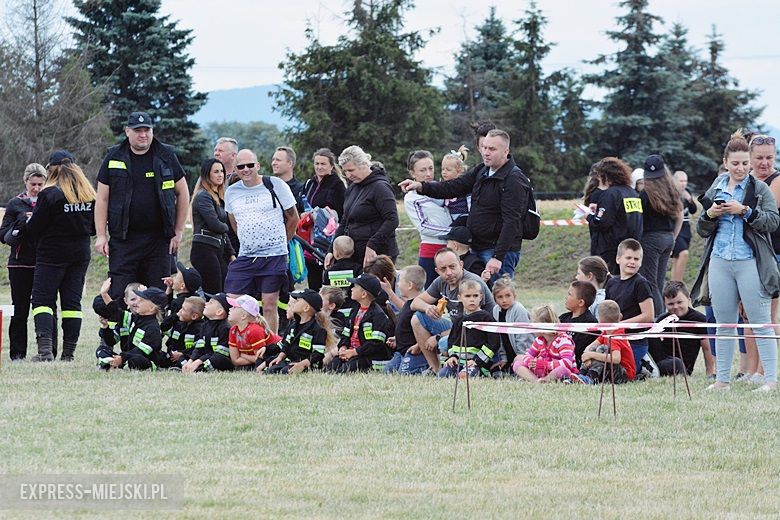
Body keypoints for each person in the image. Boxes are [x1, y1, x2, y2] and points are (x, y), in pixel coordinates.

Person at [691, 130, 779, 392]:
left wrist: (746, 212)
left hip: (749, 261)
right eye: (736, 163)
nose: (741, 168)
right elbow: (702, 228)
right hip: (719, 261)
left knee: (759, 320)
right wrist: (710, 213)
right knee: (725, 322)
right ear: (726, 162)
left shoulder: (759, 188)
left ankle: (771, 380)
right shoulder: (717, 185)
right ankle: (722, 380)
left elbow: (773, 222)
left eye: (744, 163)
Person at [400, 129, 530, 281]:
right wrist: (421, 187)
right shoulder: (482, 170)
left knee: (498, 300)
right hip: (476, 248)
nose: (486, 152)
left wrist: (498, 257)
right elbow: (453, 187)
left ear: (506, 151)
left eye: (492, 149)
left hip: (496, 252)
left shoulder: (514, 180)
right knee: (473, 300)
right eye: (484, 147)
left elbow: (512, 222)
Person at [94, 111, 189, 300]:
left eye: (147, 129)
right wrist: (101, 236)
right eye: (138, 130)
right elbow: (102, 199)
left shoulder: (166, 155)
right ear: (127, 131)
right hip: (124, 240)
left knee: (158, 296)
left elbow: (183, 193)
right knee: (120, 292)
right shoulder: (114, 156)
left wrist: (178, 231)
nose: (143, 134)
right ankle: (120, 329)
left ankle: (155, 330)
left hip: (158, 240)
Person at [22, 151, 95, 362]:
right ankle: (68, 353)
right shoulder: (88, 194)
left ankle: (45, 351)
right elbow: (92, 228)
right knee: (72, 304)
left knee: (43, 300)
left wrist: (27, 225)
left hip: (52, 254)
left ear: (52, 170)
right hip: (80, 253)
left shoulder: (50, 194)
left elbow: (35, 229)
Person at [224, 148, 300, 333]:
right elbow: (234, 222)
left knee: (268, 305)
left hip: (274, 255)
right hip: (246, 255)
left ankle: (270, 346)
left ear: (258, 165)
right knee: (234, 302)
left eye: (250, 165)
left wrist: (282, 242)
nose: (246, 169)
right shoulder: (231, 191)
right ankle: (239, 344)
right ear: (235, 169)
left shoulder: (275, 184)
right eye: (241, 166)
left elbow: (293, 218)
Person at [410, 248, 495, 374]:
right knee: (417, 318)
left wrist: (438, 337)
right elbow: (414, 303)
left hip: (478, 335)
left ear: (461, 265)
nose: (449, 272)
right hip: (457, 329)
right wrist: (428, 308)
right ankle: (435, 368)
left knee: (444, 343)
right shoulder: (440, 282)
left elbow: (473, 327)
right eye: (443, 269)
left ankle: (460, 368)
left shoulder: (472, 283)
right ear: (437, 271)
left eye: (452, 266)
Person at [0, 163, 49, 360]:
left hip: (46, 263)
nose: (36, 188)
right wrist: (19, 226)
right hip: (20, 264)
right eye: (33, 184)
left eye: (40, 184)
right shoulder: (15, 204)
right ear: (25, 182)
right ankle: (17, 354)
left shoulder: (50, 201)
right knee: (20, 310)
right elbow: (3, 235)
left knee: (46, 308)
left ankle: (47, 352)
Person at [325, 145, 399, 269]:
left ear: (364, 164)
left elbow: (392, 220)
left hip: (378, 254)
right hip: (356, 254)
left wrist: (372, 245)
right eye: (345, 172)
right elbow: (345, 222)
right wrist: (331, 250)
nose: (348, 175)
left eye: (351, 170)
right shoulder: (352, 188)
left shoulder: (380, 188)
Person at [637, 155, 683, 314]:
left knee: (651, 283)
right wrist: (673, 239)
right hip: (668, 238)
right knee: (659, 281)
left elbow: (637, 221)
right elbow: (680, 216)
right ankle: (663, 316)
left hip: (650, 240)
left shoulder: (644, 195)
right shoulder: (672, 192)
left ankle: (657, 319)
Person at [604, 239, 654, 373]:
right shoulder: (611, 283)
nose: (632, 262)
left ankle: (644, 366)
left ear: (641, 262)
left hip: (635, 340)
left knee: (619, 371)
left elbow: (648, 316)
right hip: (613, 338)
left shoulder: (641, 284)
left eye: (636, 259)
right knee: (599, 365)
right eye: (628, 257)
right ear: (618, 259)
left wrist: (621, 324)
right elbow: (607, 312)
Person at [403, 150, 452, 287]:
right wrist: (452, 231)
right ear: (413, 173)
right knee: (432, 299)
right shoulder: (411, 197)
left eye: (431, 168)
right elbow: (423, 226)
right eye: (423, 170)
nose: (428, 174)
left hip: (453, 249)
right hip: (431, 251)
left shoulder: (444, 188)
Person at [587, 157, 643, 275]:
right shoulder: (632, 193)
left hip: (610, 250)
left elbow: (601, 223)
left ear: (605, 176)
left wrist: (590, 216)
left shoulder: (611, 194)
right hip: (630, 247)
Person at [648, 281, 715, 377]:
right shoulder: (662, 320)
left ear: (688, 299)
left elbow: (707, 349)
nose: (675, 307)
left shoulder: (699, 320)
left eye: (679, 302)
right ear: (664, 303)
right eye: (670, 304)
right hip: (662, 361)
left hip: (682, 366)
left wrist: (710, 373)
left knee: (676, 363)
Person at [329, 274, 392, 373]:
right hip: (352, 353)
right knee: (331, 367)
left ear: (364, 294)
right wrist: (343, 347)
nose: (352, 289)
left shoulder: (378, 315)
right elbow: (345, 334)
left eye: (355, 287)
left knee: (344, 371)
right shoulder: (354, 311)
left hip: (369, 357)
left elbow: (375, 344)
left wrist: (354, 352)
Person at [302, 148, 346, 289]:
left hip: (329, 238)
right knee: (313, 278)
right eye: (317, 163)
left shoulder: (338, 185)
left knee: (328, 278)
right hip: (309, 238)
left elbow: (342, 212)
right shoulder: (309, 184)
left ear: (331, 166)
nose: (319, 167)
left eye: (323, 164)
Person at [439, 279, 500, 378]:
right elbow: (451, 341)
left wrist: (477, 360)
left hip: (477, 363)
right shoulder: (459, 319)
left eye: (475, 296)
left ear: (481, 297)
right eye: (467, 296)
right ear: (459, 298)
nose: (472, 299)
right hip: (458, 362)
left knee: (464, 376)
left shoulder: (486, 318)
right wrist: (452, 356)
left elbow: (494, 342)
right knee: (442, 375)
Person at [190, 158, 234, 294]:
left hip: (217, 249)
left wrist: (231, 253)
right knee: (213, 292)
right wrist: (229, 226)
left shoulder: (219, 198)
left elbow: (221, 230)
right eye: (216, 172)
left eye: (222, 171)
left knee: (223, 289)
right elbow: (215, 225)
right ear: (207, 174)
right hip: (204, 249)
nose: (220, 174)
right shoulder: (203, 196)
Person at [267, 289, 334, 374]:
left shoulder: (318, 329)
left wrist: (302, 364)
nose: (294, 303)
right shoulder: (293, 325)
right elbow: (287, 344)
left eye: (297, 301)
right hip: (291, 361)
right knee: (272, 369)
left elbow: (318, 354)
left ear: (306, 308)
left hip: (308, 365)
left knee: (285, 371)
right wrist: (280, 357)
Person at [100, 287, 168, 371]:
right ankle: (113, 363)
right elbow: (116, 312)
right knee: (102, 350)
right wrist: (104, 294)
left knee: (136, 360)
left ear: (152, 308)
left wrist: (122, 357)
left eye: (141, 300)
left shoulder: (153, 328)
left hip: (145, 360)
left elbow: (140, 351)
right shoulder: (134, 317)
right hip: (127, 357)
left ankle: (114, 365)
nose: (136, 302)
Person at [572, 300, 635, 384]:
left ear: (600, 321)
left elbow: (616, 359)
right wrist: (587, 355)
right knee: (595, 348)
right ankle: (582, 374)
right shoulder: (606, 332)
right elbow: (590, 347)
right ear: (620, 317)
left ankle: (591, 377)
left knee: (602, 348)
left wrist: (592, 355)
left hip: (624, 375)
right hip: (613, 370)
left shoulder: (615, 336)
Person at [513, 304, 577, 383]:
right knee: (517, 364)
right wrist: (531, 362)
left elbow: (567, 363)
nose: (532, 327)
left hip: (561, 372)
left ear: (542, 326)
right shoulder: (539, 340)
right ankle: (537, 381)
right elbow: (528, 355)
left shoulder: (563, 340)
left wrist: (544, 365)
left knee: (562, 370)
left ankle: (545, 379)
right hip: (543, 371)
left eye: (534, 324)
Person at [385, 266, 428, 375]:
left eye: (400, 281)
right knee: (387, 371)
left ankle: (424, 368)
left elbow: (426, 330)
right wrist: (397, 339)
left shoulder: (420, 305)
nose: (398, 284)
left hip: (414, 352)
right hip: (401, 352)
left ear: (410, 285)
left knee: (404, 374)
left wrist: (419, 346)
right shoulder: (407, 304)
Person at [491, 275, 533, 371]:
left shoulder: (519, 310)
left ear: (514, 295)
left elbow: (523, 337)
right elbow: (499, 336)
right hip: (508, 353)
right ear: (495, 299)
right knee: (494, 371)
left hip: (524, 354)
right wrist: (504, 358)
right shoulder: (496, 310)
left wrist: (520, 357)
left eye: (508, 295)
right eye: (500, 297)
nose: (504, 300)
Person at [227, 295, 281, 371]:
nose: (230, 309)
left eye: (234, 307)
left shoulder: (254, 330)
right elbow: (235, 360)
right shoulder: (233, 330)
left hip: (277, 354)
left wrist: (242, 355)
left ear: (243, 316)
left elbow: (260, 358)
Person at [182, 293, 232, 373]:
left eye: (211, 302)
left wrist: (199, 361)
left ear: (219, 312)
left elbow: (220, 354)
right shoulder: (204, 325)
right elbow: (199, 347)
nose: (206, 303)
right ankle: (190, 368)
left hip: (219, 358)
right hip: (206, 357)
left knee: (218, 360)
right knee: (184, 356)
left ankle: (198, 370)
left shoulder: (225, 328)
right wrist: (191, 361)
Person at [559, 280, 598, 368]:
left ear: (580, 302)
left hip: (574, 365)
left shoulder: (590, 324)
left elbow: (578, 351)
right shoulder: (562, 318)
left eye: (569, 294)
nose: (566, 297)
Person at [161, 295, 205, 370]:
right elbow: (163, 327)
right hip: (173, 355)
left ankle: (182, 368)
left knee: (182, 360)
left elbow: (198, 348)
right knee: (159, 357)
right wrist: (175, 315)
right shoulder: (179, 323)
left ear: (194, 316)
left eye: (183, 309)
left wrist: (182, 353)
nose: (180, 311)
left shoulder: (201, 328)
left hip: (188, 357)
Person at [670, 170, 698, 282]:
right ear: (675, 181)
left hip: (686, 228)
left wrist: (690, 200)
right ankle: (678, 283)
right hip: (676, 228)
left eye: (685, 181)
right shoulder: (670, 193)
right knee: (683, 253)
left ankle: (673, 282)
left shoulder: (688, 192)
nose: (683, 184)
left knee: (678, 257)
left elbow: (693, 210)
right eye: (681, 181)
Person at [440, 146, 471, 222]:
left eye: (448, 170)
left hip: (463, 216)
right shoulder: (442, 185)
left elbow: (470, 200)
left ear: (459, 171)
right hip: (450, 216)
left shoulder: (463, 185)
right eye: (443, 169)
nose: (444, 172)